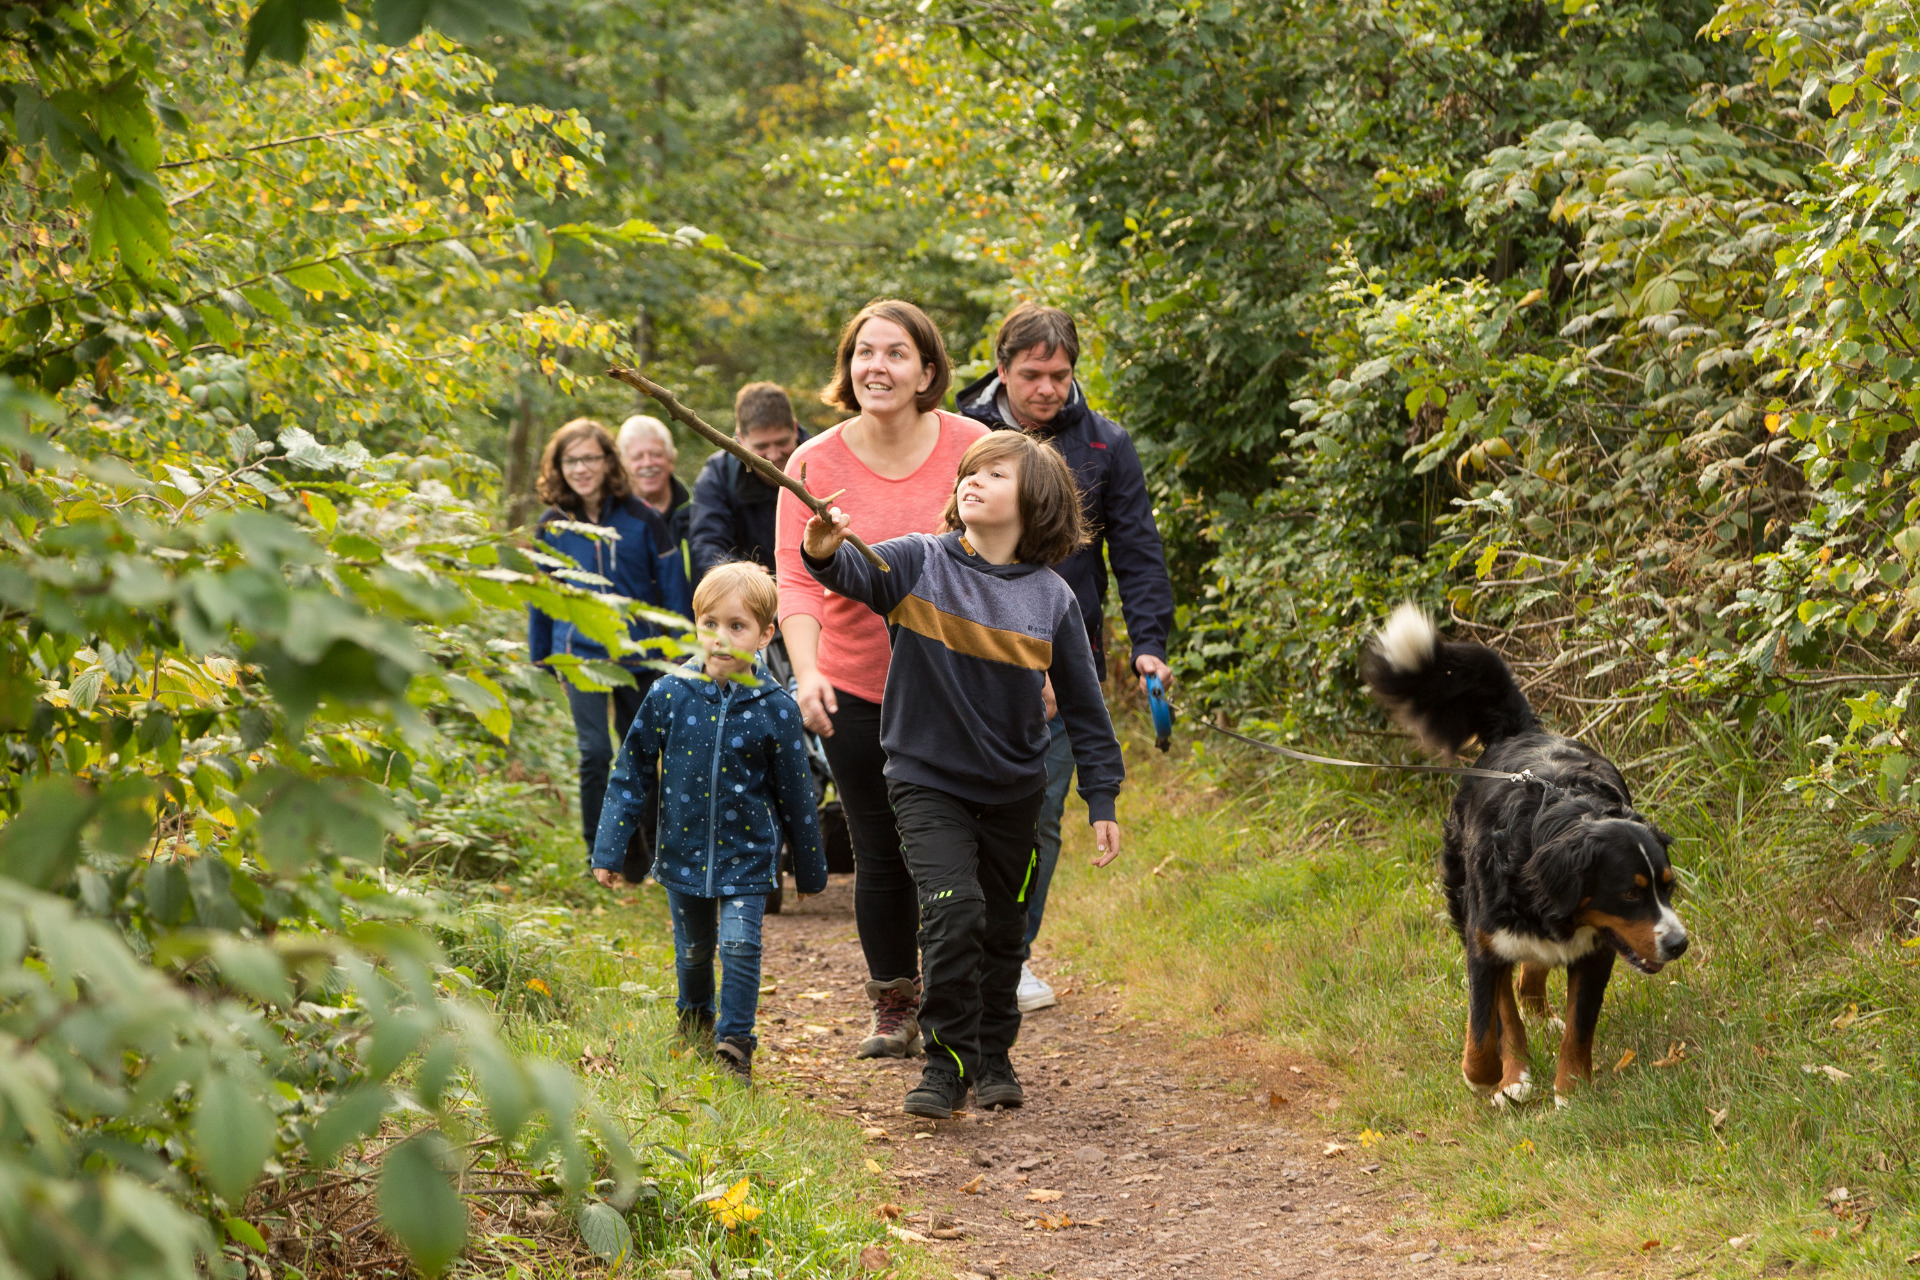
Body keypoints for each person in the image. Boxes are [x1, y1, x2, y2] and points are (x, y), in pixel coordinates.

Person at [801, 430, 1125, 1118]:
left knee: (1003, 930)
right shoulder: (920, 561)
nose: (972, 481)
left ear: (1033, 502)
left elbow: (1086, 709)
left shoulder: (1052, 599)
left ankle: (993, 1052)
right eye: (970, 472)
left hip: (1014, 790)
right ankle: (945, 1066)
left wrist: (1102, 795)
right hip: (925, 781)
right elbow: (849, 573)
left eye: (996, 475)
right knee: (955, 913)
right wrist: (824, 546)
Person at [774, 299, 989, 1060]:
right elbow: (797, 585)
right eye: (865, 352)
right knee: (879, 847)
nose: (879, 367)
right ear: (847, 367)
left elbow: (1014, 560)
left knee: (960, 850)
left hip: (960, 687)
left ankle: (965, 1002)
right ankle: (894, 998)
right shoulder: (810, 464)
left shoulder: (977, 446)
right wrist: (806, 675)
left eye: (897, 354)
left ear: (928, 370)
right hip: (857, 686)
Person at [956, 303, 1175, 1013]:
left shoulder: (1106, 446)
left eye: (1060, 374)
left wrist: (1149, 645)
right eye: (1032, 375)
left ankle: (1011, 956)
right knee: (956, 813)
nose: (1048, 388)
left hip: (1058, 660)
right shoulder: (961, 435)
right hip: (961, 655)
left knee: (1039, 815)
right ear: (1002, 370)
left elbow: (1137, 551)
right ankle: (949, 950)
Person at [589, 561, 828, 1083]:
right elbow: (630, 772)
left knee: (740, 942)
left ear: (766, 634)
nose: (721, 639)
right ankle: (695, 1019)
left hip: (748, 854)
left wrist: (809, 872)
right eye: (710, 624)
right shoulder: (669, 694)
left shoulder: (776, 709)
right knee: (694, 950)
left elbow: (796, 796)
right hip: (681, 850)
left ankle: (735, 1043)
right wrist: (609, 850)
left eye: (737, 626)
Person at [527, 418, 692, 866]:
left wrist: (676, 648)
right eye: (570, 460)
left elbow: (673, 587)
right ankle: (600, 854)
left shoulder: (642, 518)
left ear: (607, 462)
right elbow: (540, 601)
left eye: (589, 459)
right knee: (595, 753)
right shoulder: (551, 526)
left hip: (641, 656)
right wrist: (540, 660)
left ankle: (651, 852)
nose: (580, 469)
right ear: (559, 467)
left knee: (640, 754)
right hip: (580, 658)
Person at [689, 382, 805, 585]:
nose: (773, 455)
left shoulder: (822, 460)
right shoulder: (719, 475)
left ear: (795, 429)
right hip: (751, 598)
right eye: (761, 446)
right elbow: (706, 546)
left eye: (782, 442)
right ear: (740, 438)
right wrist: (738, 571)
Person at [619, 414, 693, 569]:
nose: (648, 463)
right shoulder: (612, 515)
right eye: (637, 457)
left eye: (656, 455)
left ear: (671, 459)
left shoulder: (698, 508)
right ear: (623, 465)